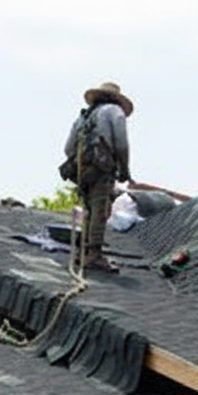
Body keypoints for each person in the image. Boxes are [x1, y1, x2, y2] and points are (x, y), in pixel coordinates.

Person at [60, 81, 133, 273]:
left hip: (82, 172)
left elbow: (68, 149)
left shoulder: (83, 117)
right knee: (101, 210)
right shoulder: (114, 111)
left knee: (89, 210)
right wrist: (125, 168)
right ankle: (94, 255)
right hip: (102, 168)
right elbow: (122, 144)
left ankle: (82, 253)